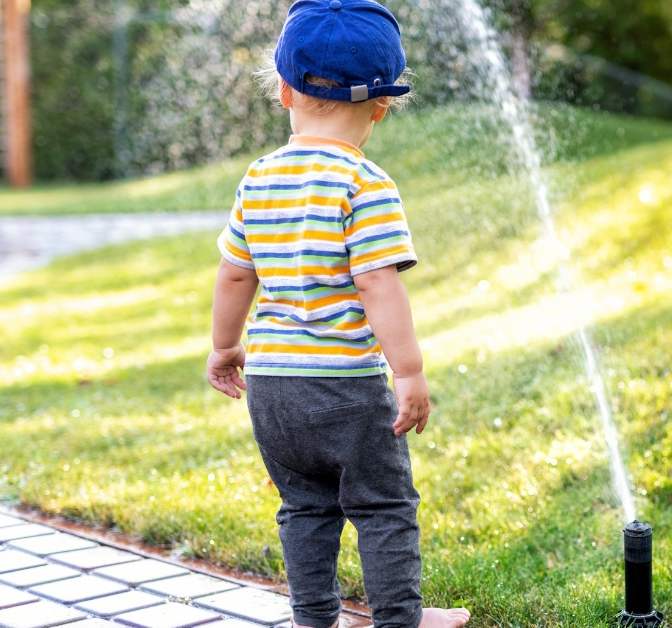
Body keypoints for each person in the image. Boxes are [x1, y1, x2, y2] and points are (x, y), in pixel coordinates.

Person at [205, 2, 470, 627]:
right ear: (382, 104)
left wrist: (224, 346)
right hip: (346, 384)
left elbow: (235, 272)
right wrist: (408, 373)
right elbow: (378, 283)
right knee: (382, 508)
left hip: (272, 387)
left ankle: (314, 618)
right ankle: (401, 619)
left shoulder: (259, 177)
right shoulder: (364, 181)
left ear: (284, 90)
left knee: (304, 507)